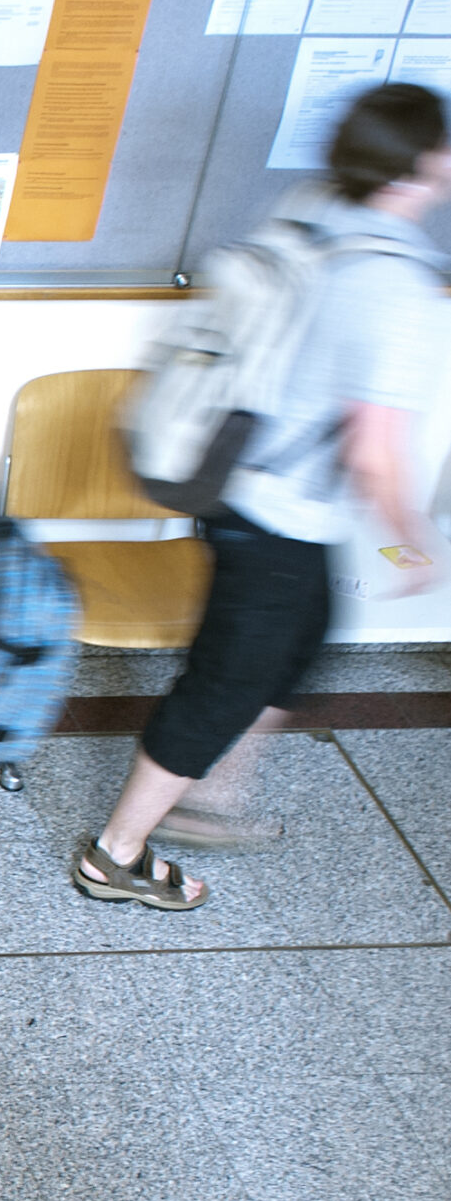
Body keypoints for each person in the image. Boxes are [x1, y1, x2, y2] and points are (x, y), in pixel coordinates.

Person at [75, 83, 451, 913]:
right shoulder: (394, 287)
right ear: (425, 163)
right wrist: (411, 537)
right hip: (275, 515)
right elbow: (376, 450)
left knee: (307, 633)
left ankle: (208, 797)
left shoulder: (312, 211)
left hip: (231, 477)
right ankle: (116, 852)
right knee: (226, 680)